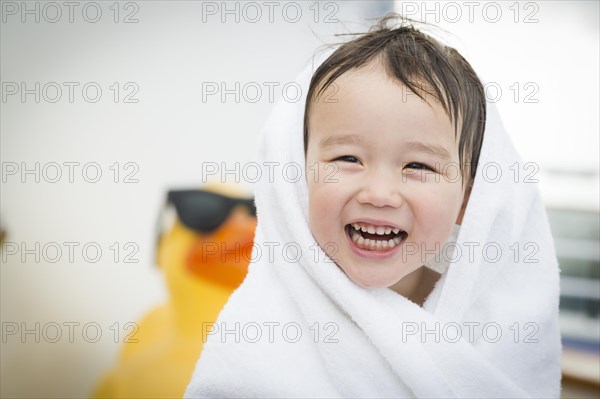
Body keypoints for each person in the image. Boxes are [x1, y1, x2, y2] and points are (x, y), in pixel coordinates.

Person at [185, 14, 561, 398]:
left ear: (468, 201)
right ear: (298, 179)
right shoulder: (258, 336)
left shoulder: (497, 330)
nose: (379, 193)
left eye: (418, 165)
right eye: (348, 158)